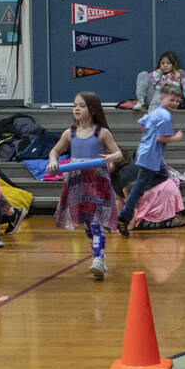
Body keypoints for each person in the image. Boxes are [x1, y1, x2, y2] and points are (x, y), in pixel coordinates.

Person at [49, 93, 124, 280]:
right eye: (75, 105)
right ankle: (99, 254)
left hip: (97, 181)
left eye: (81, 106)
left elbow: (119, 153)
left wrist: (111, 157)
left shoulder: (102, 133)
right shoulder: (69, 133)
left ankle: (98, 258)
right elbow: (55, 151)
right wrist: (52, 161)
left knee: (96, 220)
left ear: (92, 109)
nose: (76, 109)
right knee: (88, 223)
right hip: (77, 181)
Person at [116, 88, 183, 239]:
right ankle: (125, 215)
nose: (174, 103)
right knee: (143, 186)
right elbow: (161, 138)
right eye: (171, 100)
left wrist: (148, 136)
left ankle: (135, 190)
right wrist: (176, 138)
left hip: (147, 152)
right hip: (151, 155)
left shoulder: (155, 112)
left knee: (163, 175)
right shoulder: (165, 116)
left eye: (177, 101)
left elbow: (142, 123)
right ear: (162, 98)